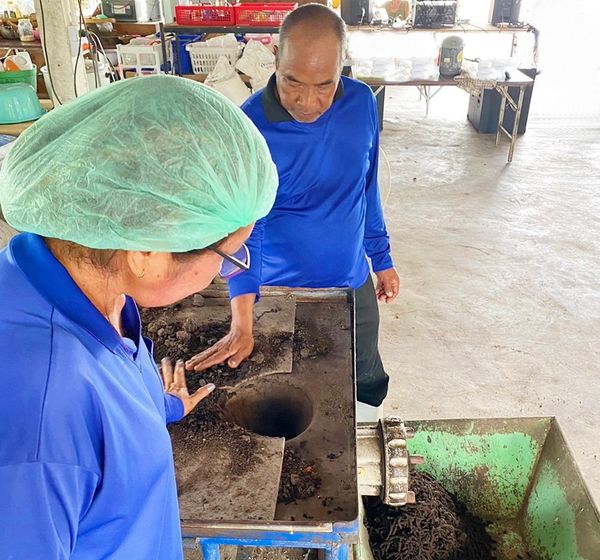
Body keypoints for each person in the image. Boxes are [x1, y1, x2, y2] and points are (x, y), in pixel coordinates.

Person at [0, 75, 277, 559]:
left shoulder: (93, 286)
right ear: (146, 251)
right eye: (227, 255)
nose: (226, 270)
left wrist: (155, 406)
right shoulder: (44, 419)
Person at [187, 4, 400, 420]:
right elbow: (248, 230)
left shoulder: (360, 105)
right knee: (290, 399)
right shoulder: (251, 125)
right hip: (281, 295)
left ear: (343, 68)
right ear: (275, 61)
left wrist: (382, 257)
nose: (307, 101)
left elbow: (365, 187)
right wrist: (243, 315)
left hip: (352, 286)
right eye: (292, 82)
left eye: (324, 85)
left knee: (357, 387)